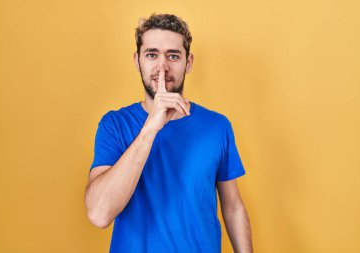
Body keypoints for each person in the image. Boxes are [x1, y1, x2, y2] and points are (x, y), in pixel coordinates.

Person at [84, 13, 253, 253]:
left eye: (173, 56)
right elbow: (99, 214)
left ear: (189, 62)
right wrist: (151, 127)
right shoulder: (114, 125)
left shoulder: (217, 126)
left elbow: (233, 206)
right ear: (137, 61)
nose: (162, 67)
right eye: (151, 55)